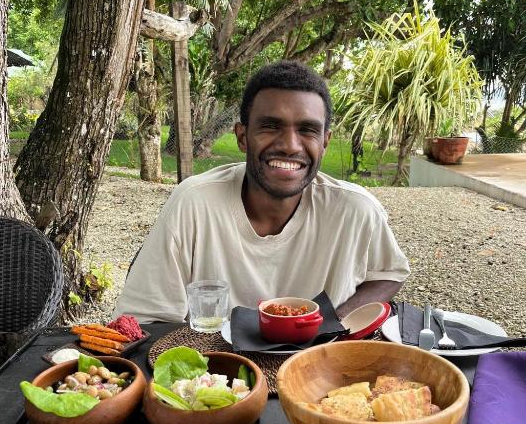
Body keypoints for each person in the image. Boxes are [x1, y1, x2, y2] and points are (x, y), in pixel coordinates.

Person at [116, 60, 409, 323]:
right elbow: (144, 318)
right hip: (216, 364)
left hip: (318, 362)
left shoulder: (355, 210)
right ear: (242, 137)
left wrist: (336, 321)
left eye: (307, 130)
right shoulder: (194, 203)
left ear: (325, 142)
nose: (290, 145)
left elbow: (389, 274)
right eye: (270, 126)